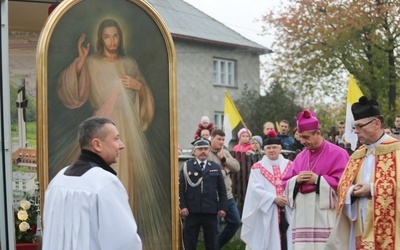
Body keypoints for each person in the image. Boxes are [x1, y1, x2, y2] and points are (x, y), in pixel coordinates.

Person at [56, 19, 165, 247]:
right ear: (101, 39)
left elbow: (146, 98)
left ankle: (125, 230)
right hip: (102, 125)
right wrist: (81, 61)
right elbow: (71, 91)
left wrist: (139, 87)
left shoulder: (130, 63)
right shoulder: (93, 63)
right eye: (107, 36)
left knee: (127, 183)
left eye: (116, 36)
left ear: (121, 38)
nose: (112, 41)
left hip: (128, 130)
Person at [42, 117, 142, 250]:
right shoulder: (105, 183)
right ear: (97, 144)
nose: (121, 145)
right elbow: (124, 240)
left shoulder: (58, 179)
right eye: (116, 139)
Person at [325, 96, 400, 249]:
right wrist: (352, 191)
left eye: (359, 126)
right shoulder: (358, 154)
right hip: (360, 227)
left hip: (392, 233)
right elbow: (343, 186)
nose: (355, 131)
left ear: (376, 124)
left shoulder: (397, 151)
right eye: (354, 126)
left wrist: (372, 190)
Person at [282, 109, 349, 249]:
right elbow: (285, 183)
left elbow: (344, 184)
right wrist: (297, 180)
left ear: (318, 133)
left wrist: (318, 180)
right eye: (300, 137)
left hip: (324, 215)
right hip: (302, 216)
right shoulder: (300, 156)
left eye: (306, 137)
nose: (302, 141)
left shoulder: (339, 154)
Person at [241, 133, 293, 250]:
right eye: (268, 148)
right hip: (267, 212)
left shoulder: (290, 165)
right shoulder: (257, 168)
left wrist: (286, 197)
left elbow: (294, 184)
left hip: (288, 209)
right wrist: (273, 198)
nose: (271, 150)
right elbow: (255, 190)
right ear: (264, 149)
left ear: (280, 148)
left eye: (274, 147)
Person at [179, 138, 227, 250]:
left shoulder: (215, 167)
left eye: (205, 149)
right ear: (194, 151)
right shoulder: (187, 166)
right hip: (192, 210)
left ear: (209, 151)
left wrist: (223, 208)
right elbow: (181, 188)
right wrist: (183, 206)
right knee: (190, 242)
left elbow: (222, 190)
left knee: (212, 242)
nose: (203, 151)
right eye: (200, 149)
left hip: (210, 210)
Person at [208, 129, 241, 249]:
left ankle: (216, 245)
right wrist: (225, 171)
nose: (221, 142)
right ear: (212, 139)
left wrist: (223, 159)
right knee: (214, 227)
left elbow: (237, 167)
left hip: (227, 196)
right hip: (212, 197)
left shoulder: (225, 152)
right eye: (219, 139)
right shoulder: (206, 153)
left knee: (236, 222)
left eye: (223, 139)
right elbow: (209, 174)